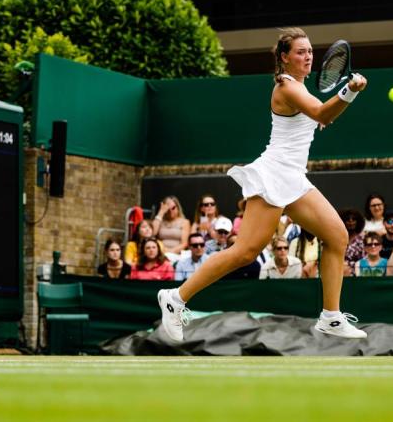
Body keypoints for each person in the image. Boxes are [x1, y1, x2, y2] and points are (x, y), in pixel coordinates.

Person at [157, 27, 368, 340]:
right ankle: (175, 298)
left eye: (310, 51)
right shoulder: (287, 86)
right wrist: (350, 91)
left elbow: (320, 117)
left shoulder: (299, 87)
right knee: (245, 252)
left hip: (293, 177)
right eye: (300, 51)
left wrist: (330, 109)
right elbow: (324, 113)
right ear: (284, 58)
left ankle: (331, 317)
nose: (308, 56)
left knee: (337, 235)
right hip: (274, 174)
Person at [152, 195, 191, 262]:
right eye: (168, 208)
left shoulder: (185, 222)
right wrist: (161, 212)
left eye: (173, 208)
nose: (170, 211)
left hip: (176, 254)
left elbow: (184, 243)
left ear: (178, 208)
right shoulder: (159, 221)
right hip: (160, 253)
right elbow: (153, 232)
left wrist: (170, 252)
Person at [340, 208, 365, 276]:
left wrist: (348, 264)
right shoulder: (338, 239)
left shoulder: (362, 239)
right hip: (338, 269)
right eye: (347, 219)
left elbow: (364, 260)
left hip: (357, 271)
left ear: (358, 222)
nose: (351, 222)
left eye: (354, 219)